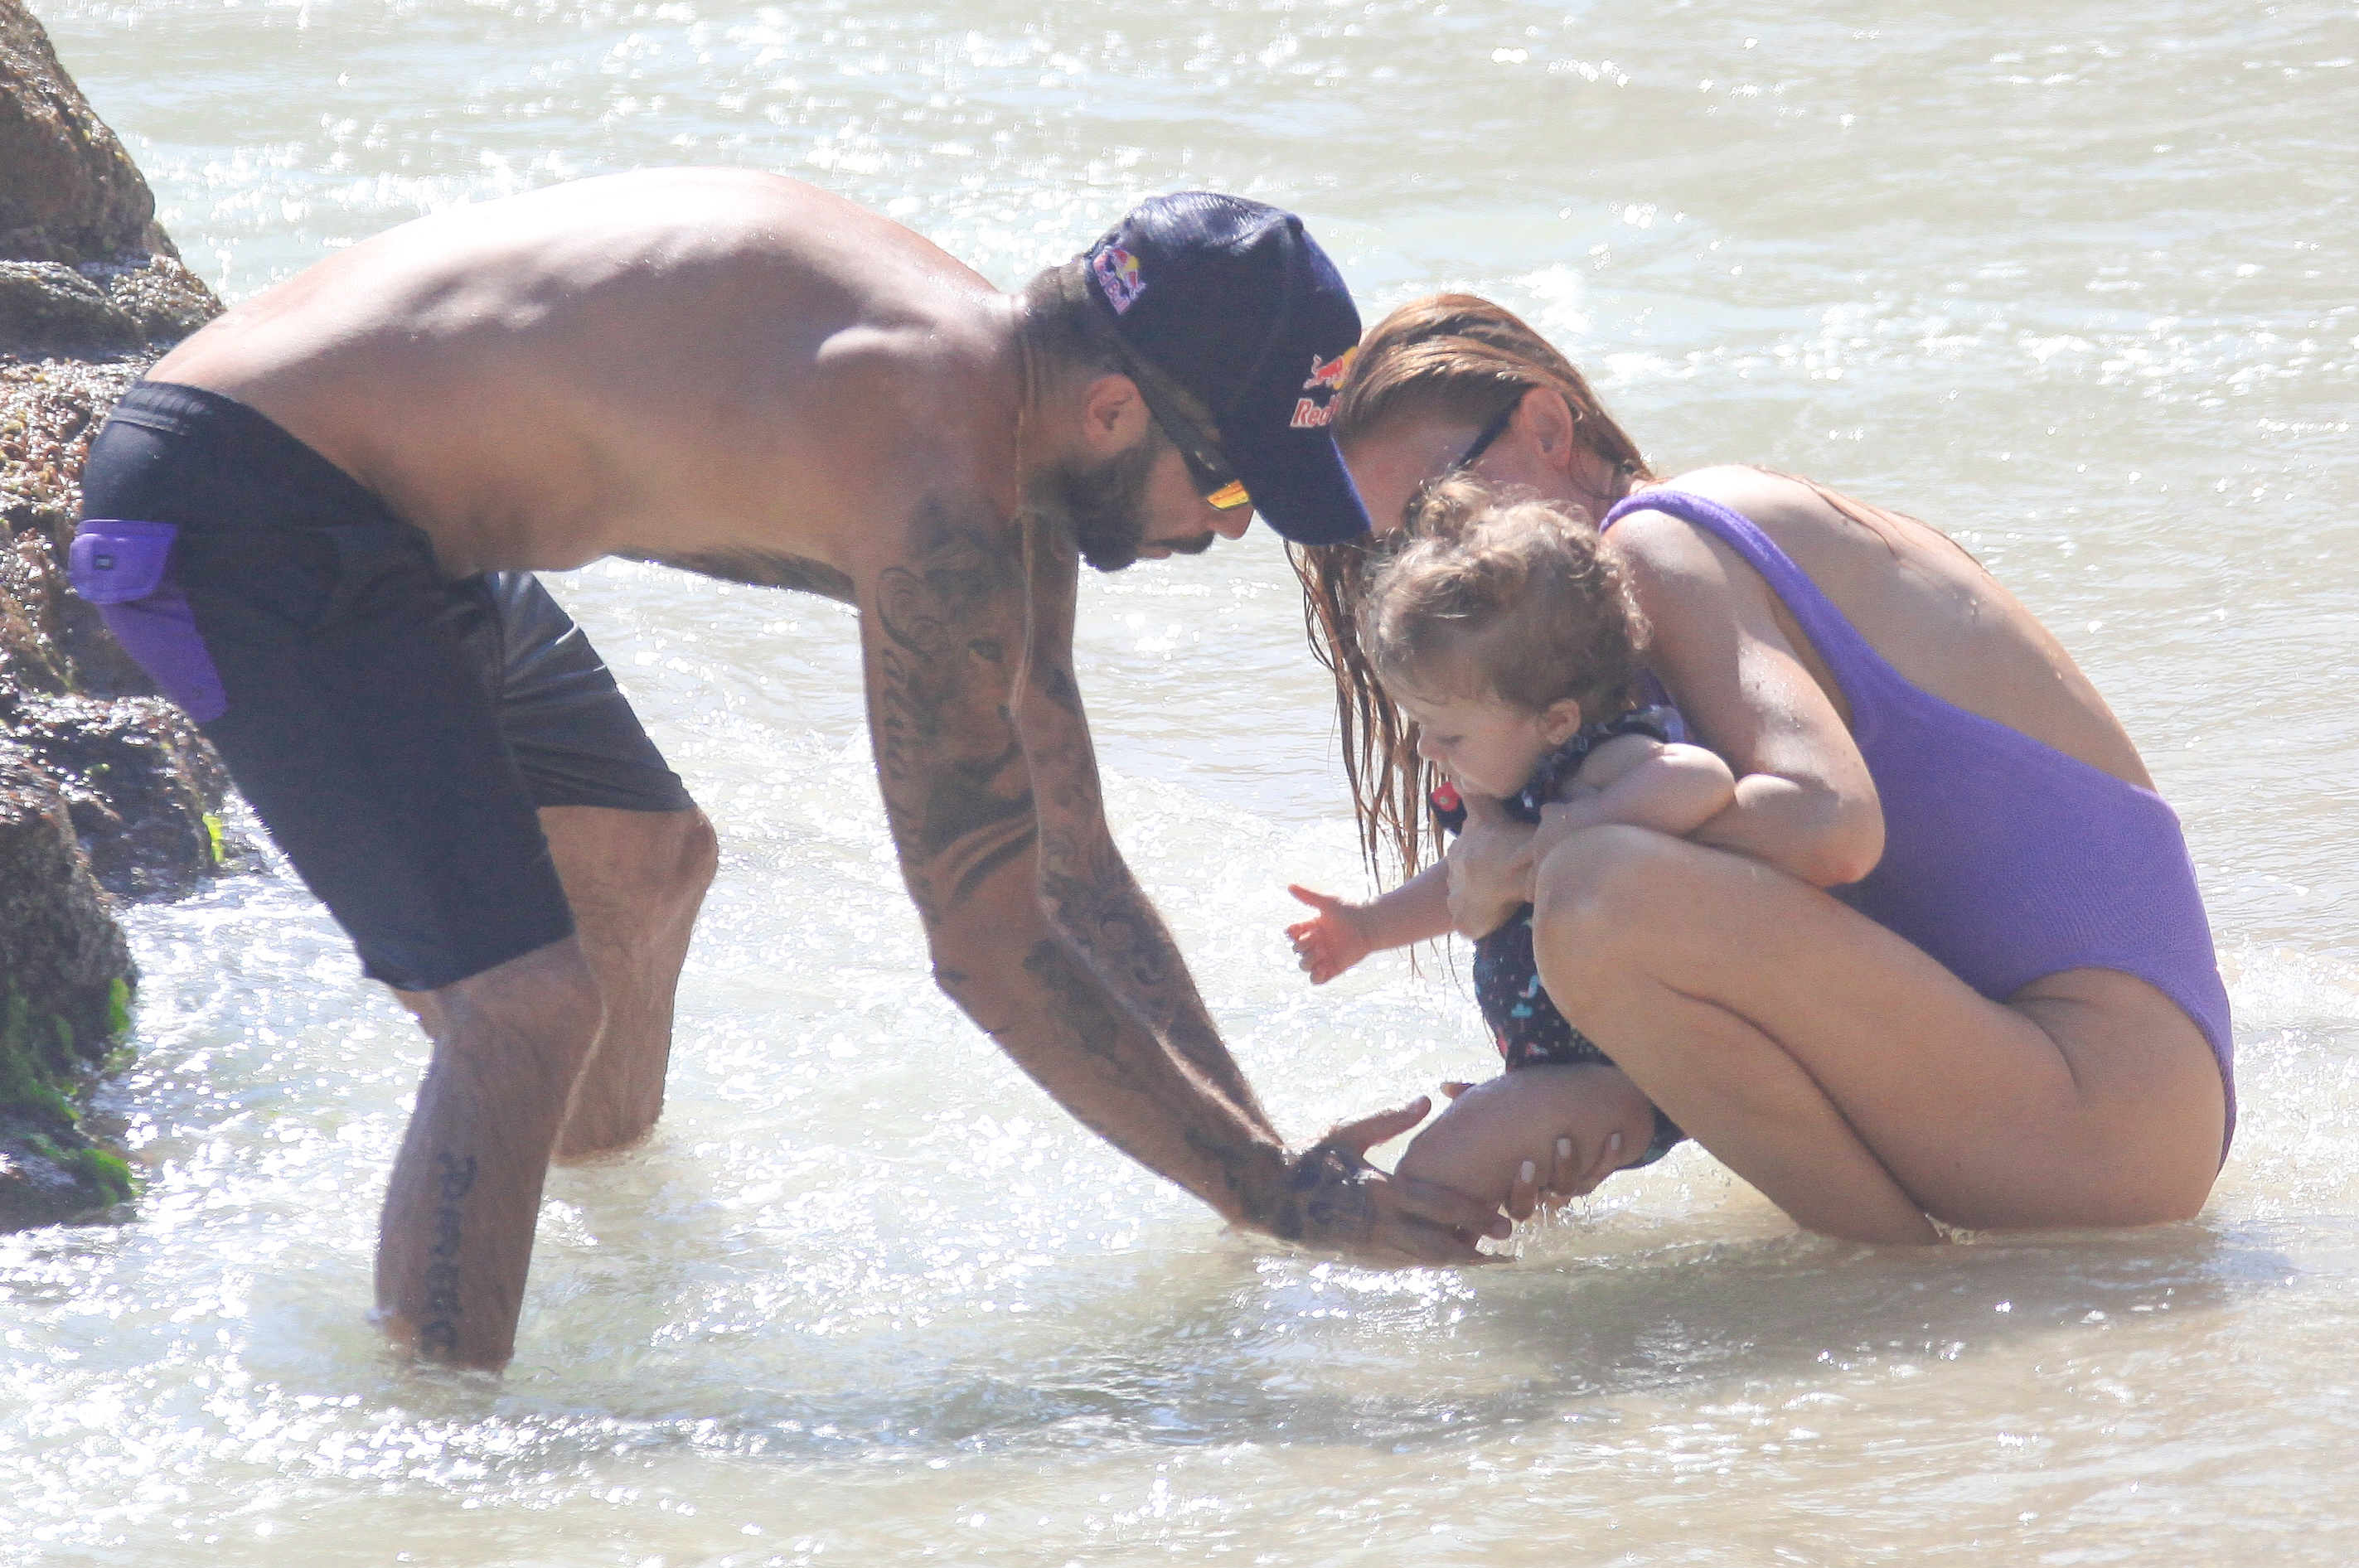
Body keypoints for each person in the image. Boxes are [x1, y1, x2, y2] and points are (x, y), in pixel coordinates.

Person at [67, 173, 1506, 1367]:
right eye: (1238, 484)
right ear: (1117, 413)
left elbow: (1073, 844)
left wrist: (1268, 1167)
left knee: (648, 860)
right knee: (523, 1002)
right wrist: (1277, 1198)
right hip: (240, 506)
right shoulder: (935, 461)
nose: (1236, 530)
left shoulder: (1014, 412)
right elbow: (991, 944)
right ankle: (434, 1465)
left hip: (413, 522)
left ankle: (566, 1256)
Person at [1292, 293, 2233, 1244]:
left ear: (1546, 428)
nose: (1435, 551)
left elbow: (1828, 822)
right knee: (1601, 902)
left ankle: (1892, 1275)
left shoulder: (1658, 541)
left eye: (1434, 504)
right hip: (2082, 1102)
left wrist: (1537, 852)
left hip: (2097, 1109)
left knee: (1597, 894)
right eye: (1399, 540)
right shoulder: (1634, 624)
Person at [1283, 485, 1735, 1210]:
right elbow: (1462, 879)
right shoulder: (1509, 792)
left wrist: (1563, 831)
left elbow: (1702, 782)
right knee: (1480, 1155)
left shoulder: (1598, 763)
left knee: (1441, 1163)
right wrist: (1367, 927)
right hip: (1562, 1069)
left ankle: (1413, 1288)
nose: (1428, 749)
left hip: (1641, 1075)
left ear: (1554, 719)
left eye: (1451, 733)